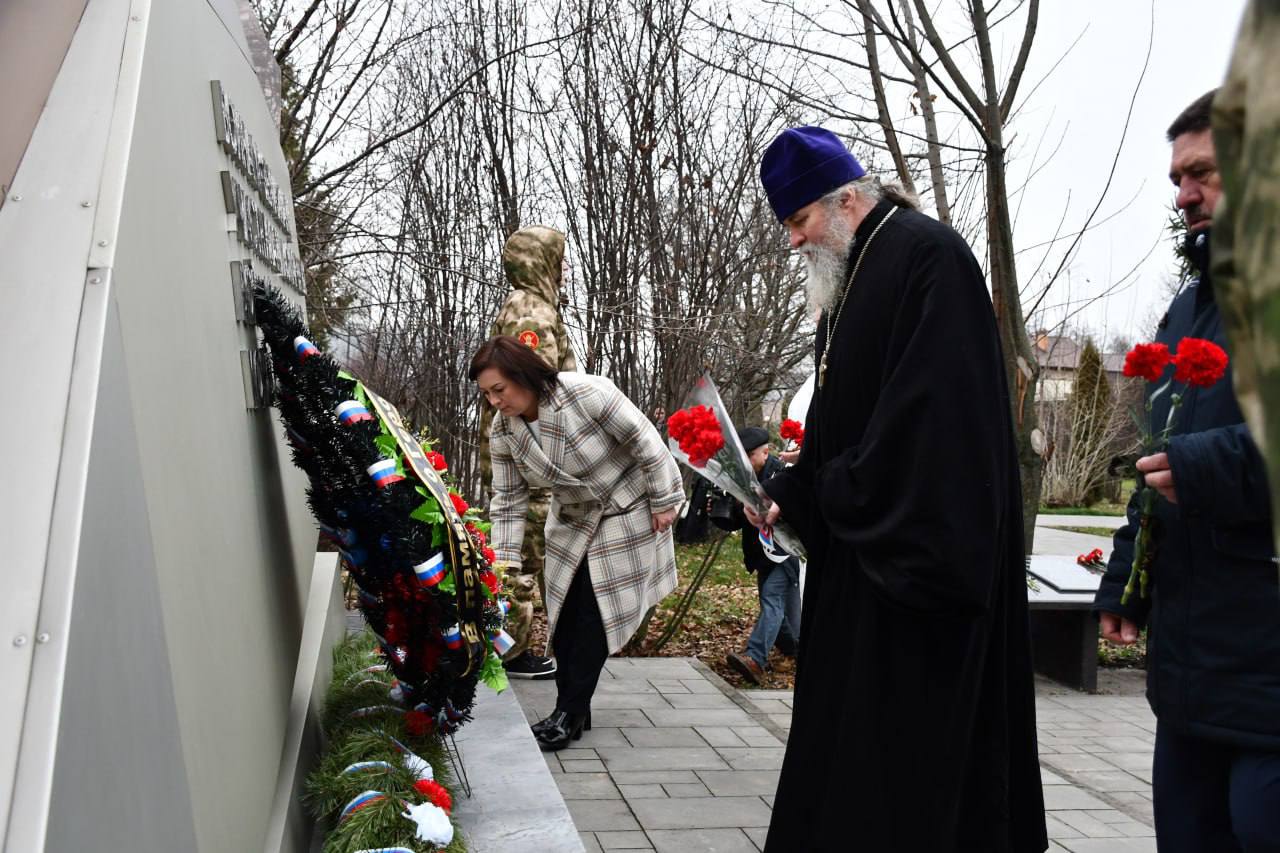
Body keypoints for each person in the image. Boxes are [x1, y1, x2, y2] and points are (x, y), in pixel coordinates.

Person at [747, 126, 1046, 851]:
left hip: (915, 586)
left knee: (903, 792)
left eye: (798, 221)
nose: (792, 242)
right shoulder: (848, 280)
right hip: (861, 570)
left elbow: (933, 433)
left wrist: (833, 487)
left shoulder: (928, 257)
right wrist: (793, 489)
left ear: (846, 199)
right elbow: (839, 425)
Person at [1094, 91, 1280, 852]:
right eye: (1178, 178)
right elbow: (1159, 456)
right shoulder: (1190, 306)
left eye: (1202, 172)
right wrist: (1127, 578)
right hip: (1192, 680)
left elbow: (1193, 459)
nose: (1184, 194)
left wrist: (1203, 465)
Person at [470, 336, 683, 751]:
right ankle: (575, 708)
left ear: (524, 375)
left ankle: (568, 710)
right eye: (487, 394)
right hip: (571, 518)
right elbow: (509, 497)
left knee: (592, 612)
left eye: (500, 389)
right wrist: (503, 562)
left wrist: (664, 500)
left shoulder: (588, 392)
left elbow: (646, 442)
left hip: (628, 507)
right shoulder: (505, 431)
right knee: (564, 615)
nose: (495, 401)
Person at [478, 226, 578, 680]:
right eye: (558, 259)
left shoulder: (523, 305)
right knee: (522, 554)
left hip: (529, 458)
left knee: (523, 552)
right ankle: (511, 652)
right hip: (532, 460)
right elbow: (533, 390)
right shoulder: (531, 313)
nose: (562, 269)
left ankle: (509, 645)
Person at [719, 426, 801, 685]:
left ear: (763, 453)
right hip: (760, 554)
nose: (741, 462)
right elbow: (739, 521)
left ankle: (755, 658)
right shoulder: (743, 478)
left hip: (783, 553)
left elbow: (793, 513)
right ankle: (795, 648)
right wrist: (723, 513)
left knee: (772, 601)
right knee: (780, 610)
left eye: (747, 456)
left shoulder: (783, 476)